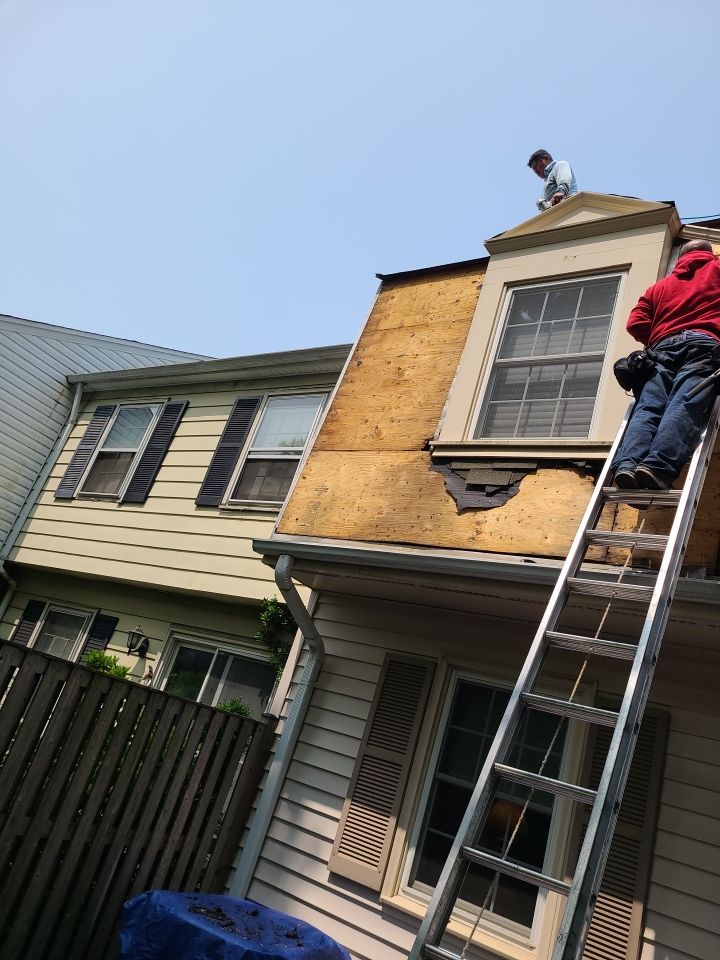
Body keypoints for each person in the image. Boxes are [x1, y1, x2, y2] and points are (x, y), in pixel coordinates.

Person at [611, 239, 720, 490]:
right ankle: (656, 467)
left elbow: (635, 323)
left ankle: (627, 465)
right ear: (708, 254)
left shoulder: (659, 287)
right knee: (686, 402)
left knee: (648, 408)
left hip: (660, 350)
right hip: (703, 347)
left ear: (681, 258)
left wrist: (661, 335)